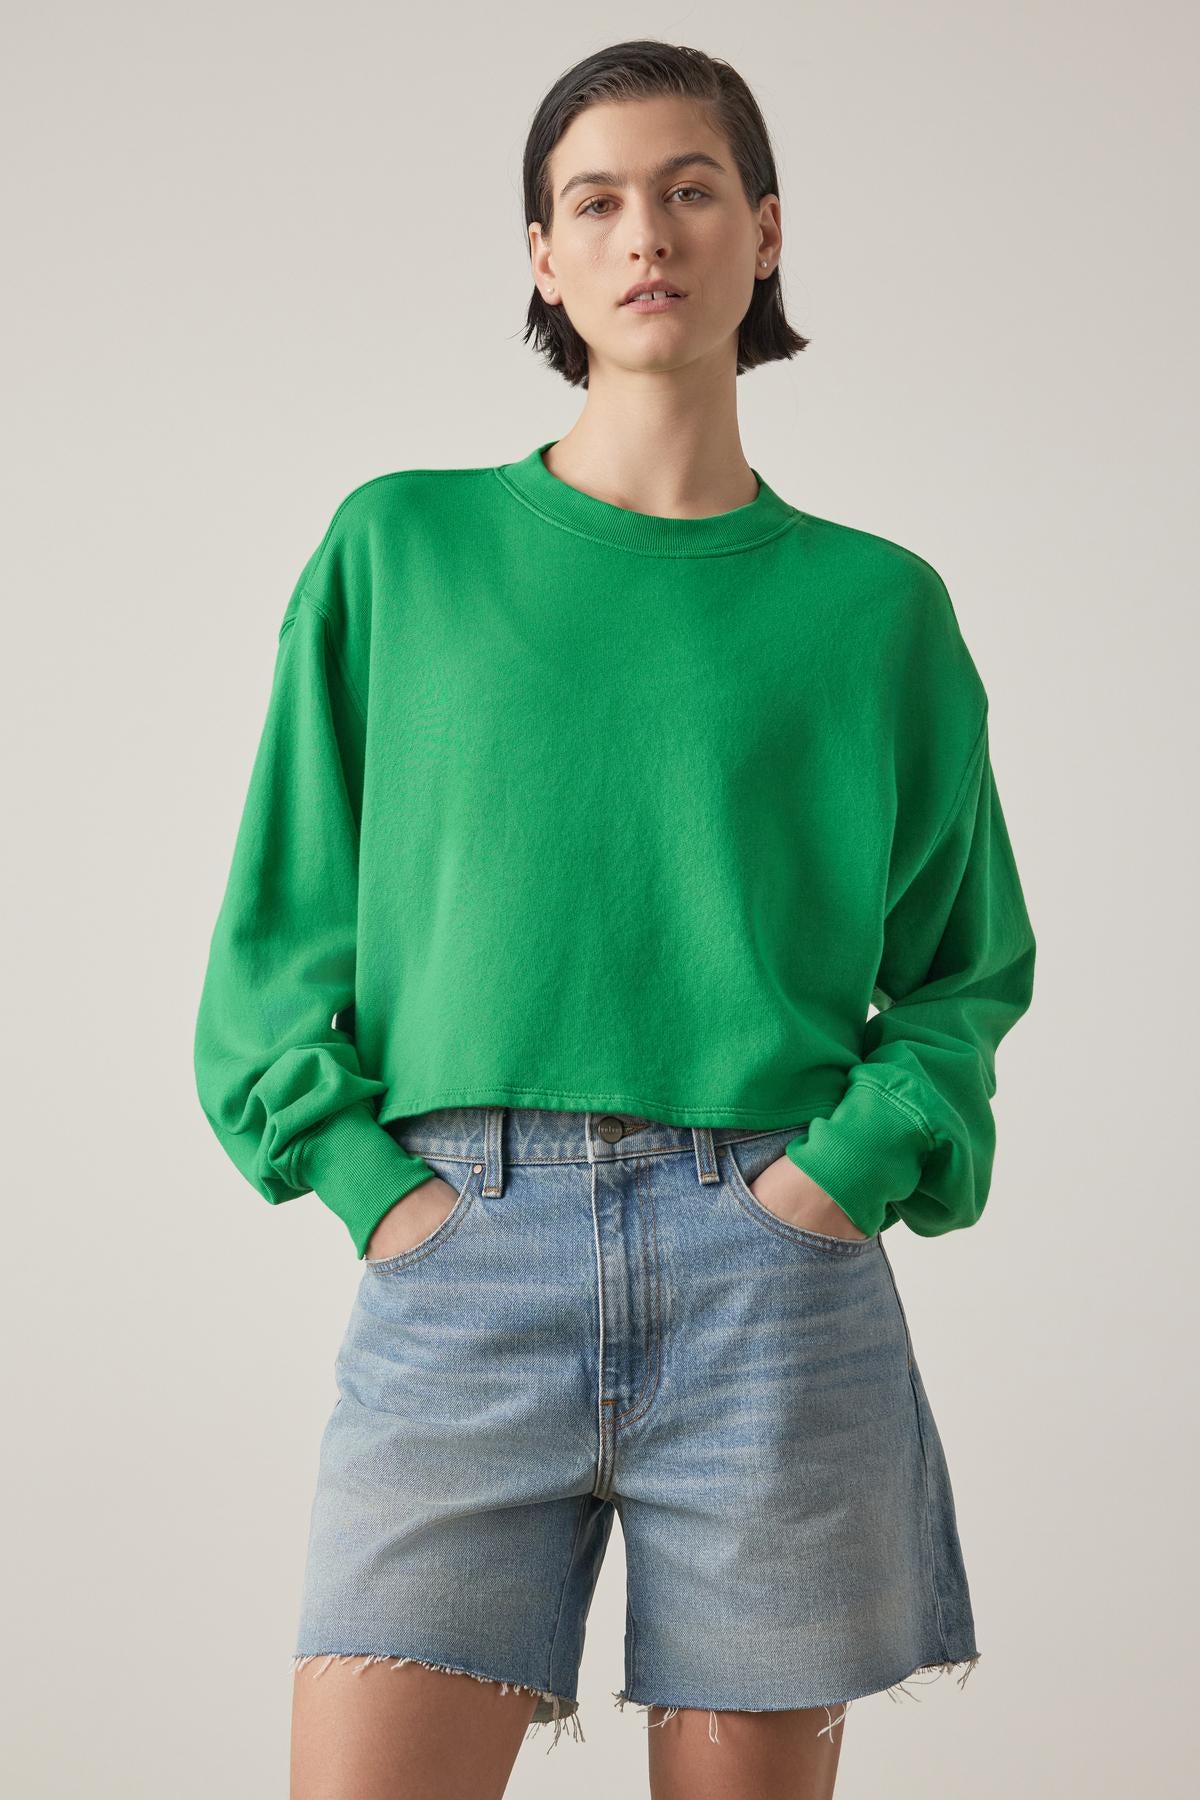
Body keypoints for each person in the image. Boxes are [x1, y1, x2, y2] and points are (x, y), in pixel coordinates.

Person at [193, 38, 1036, 1800]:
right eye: (598, 200)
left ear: (765, 232)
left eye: (691, 188)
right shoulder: (399, 552)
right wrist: (381, 1195)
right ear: (545, 258)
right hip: (460, 1260)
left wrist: (839, 1175)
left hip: (772, 1282)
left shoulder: (876, 609)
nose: (646, 229)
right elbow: (275, 947)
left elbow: (964, 970)